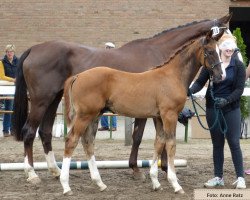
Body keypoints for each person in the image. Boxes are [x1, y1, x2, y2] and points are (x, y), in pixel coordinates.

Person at [189, 34, 246, 189]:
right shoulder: (212, 63)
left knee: (234, 142)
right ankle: (218, 176)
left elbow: (239, 89)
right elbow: (200, 82)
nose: (229, 49)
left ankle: (240, 177)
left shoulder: (238, 65)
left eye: (232, 46)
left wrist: (226, 100)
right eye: (226, 45)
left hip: (231, 108)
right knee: (217, 144)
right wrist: (189, 90)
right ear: (220, 47)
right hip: (212, 108)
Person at [98, 42, 117, 131]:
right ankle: (105, 125)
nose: (106, 49)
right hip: (104, 85)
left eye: (108, 48)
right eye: (106, 47)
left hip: (112, 85)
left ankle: (113, 126)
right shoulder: (104, 59)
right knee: (102, 106)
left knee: (112, 107)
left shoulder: (114, 60)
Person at [0, 44, 18, 137]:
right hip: (7, 87)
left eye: (11, 51)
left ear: (14, 52)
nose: (9, 53)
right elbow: (1, 76)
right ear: (6, 52)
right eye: (8, 52)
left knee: (15, 109)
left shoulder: (18, 61)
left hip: (17, 87)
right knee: (9, 108)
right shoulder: (2, 62)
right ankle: (6, 130)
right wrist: (13, 79)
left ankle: (13, 129)